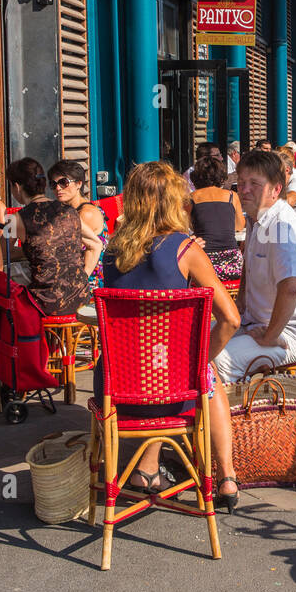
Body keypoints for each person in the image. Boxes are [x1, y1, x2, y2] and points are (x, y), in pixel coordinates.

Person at [95, 162, 242, 509]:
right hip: (170, 381)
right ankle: (227, 478)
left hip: (117, 383)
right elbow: (231, 320)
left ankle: (147, 469)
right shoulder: (185, 249)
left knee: (151, 366)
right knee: (209, 376)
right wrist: (198, 360)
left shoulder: (113, 250)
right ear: (173, 202)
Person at [213, 151, 296, 383]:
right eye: (242, 183)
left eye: (255, 184)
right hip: (257, 322)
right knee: (199, 341)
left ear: (276, 190)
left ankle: (230, 418)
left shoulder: (281, 227)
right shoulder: (255, 218)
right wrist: (239, 305)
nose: (244, 190)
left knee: (220, 362)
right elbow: (249, 263)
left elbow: (291, 287)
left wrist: (271, 336)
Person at [5, 158, 105, 317]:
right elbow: (96, 244)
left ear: (16, 186)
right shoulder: (70, 211)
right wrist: (81, 278)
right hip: (80, 298)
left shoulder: (12, 219)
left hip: (45, 303)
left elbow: (2, 254)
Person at [47, 159, 109, 291]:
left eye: (64, 183)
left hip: (87, 285)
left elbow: (62, 249)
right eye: (53, 184)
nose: (58, 188)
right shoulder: (68, 212)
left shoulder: (85, 214)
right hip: (72, 279)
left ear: (79, 184)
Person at [188, 153, 244, 280]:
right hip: (233, 262)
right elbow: (240, 226)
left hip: (204, 262)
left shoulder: (191, 198)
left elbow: (185, 226)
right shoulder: (231, 196)